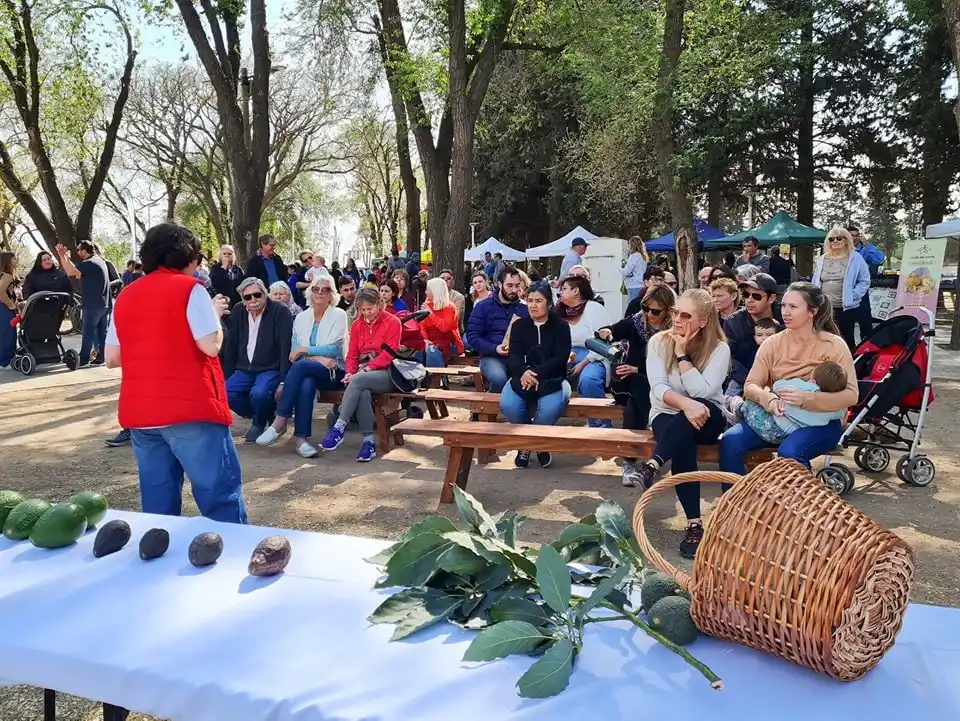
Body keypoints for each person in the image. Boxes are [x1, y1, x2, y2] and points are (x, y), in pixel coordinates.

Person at [104, 222, 246, 523]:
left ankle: (156, 563)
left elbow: (112, 357)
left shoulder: (126, 295)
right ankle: (233, 558)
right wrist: (215, 315)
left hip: (142, 412)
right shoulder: (191, 289)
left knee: (158, 507)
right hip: (191, 406)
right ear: (189, 258)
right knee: (220, 497)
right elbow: (210, 345)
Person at [631, 289, 731, 559]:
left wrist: (683, 355)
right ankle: (695, 524)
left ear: (703, 321)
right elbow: (658, 388)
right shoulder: (658, 342)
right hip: (667, 414)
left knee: (695, 417)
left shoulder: (719, 349)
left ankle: (653, 465)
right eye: (675, 312)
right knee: (683, 442)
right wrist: (686, 405)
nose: (676, 319)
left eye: (685, 315)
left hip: (709, 416)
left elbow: (704, 393)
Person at [720, 282, 858, 476]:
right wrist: (769, 400)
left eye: (793, 307)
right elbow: (751, 385)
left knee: (790, 452)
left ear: (813, 311)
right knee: (730, 441)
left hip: (821, 422)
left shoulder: (833, 345)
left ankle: (801, 506)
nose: (785, 312)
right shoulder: (772, 343)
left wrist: (807, 399)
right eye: (784, 306)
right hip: (777, 417)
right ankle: (736, 504)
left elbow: (852, 395)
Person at [256, 274, 347, 457]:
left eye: (325, 289)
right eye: (316, 289)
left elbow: (335, 349)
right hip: (310, 369)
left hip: (334, 371)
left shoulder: (339, 315)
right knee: (306, 382)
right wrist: (317, 358)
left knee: (301, 368)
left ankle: (280, 420)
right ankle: (301, 440)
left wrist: (306, 350)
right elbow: (293, 353)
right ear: (310, 292)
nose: (320, 293)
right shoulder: (301, 318)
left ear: (332, 294)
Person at [598, 284, 676, 485]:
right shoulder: (636, 322)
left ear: (668, 310)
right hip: (632, 385)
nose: (649, 314)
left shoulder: (675, 331)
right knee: (639, 388)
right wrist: (606, 331)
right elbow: (615, 329)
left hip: (663, 384)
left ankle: (633, 461)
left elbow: (671, 364)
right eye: (645, 308)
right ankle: (647, 456)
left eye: (656, 311)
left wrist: (637, 369)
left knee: (633, 409)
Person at [319, 287, 402, 461]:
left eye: (370, 309)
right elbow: (352, 354)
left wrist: (366, 369)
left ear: (379, 304)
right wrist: (350, 372)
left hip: (387, 373)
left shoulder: (392, 322)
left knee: (359, 380)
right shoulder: (357, 324)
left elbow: (389, 354)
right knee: (362, 391)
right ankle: (368, 443)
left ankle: (339, 427)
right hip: (362, 375)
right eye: (362, 310)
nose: (366, 313)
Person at [501, 282, 572, 469]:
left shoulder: (561, 326)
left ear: (548, 303)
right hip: (522, 376)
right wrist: (523, 371)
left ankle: (530, 445)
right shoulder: (519, 326)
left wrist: (535, 373)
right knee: (508, 405)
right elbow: (514, 355)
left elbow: (561, 357)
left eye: (538, 301)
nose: (533, 305)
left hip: (553, 377)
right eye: (530, 300)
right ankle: (535, 443)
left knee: (550, 409)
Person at [224, 277, 294, 443]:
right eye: (247, 297)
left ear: (265, 293)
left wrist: (284, 381)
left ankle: (259, 422)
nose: (253, 300)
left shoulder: (280, 311)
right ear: (242, 299)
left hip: (270, 367)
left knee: (259, 393)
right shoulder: (238, 310)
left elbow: (286, 347)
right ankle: (264, 414)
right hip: (244, 368)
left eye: (257, 295)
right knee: (226, 393)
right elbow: (231, 345)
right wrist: (227, 374)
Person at [731, 360, 847, 444]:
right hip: (789, 435)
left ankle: (737, 407)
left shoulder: (804, 387)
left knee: (750, 406)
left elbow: (777, 386)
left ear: (813, 379)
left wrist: (799, 381)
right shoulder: (832, 407)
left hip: (772, 426)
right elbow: (841, 413)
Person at [558, 275, 612, 428]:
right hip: (566, 355)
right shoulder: (559, 312)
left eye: (564, 289)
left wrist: (582, 364)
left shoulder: (594, 309)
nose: (560, 293)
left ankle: (601, 425)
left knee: (589, 380)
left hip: (594, 356)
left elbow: (603, 342)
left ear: (576, 291)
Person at [466, 267, 529, 391]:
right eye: (509, 285)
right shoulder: (483, 306)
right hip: (491, 356)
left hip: (519, 356)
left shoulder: (524, 307)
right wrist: (494, 348)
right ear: (499, 284)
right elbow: (472, 336)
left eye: (517, 286)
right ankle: (489, 405)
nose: (514, 290)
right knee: (499, 377)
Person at [812, 226, 870, 350]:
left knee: (846, 339)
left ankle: (850, 365)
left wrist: (854, 296)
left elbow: (864, 280)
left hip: (846, 308)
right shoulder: (822, 259)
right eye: (831, 239)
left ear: (846, 240)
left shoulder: (855, 258)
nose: (835, 241)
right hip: (825, 307)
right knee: (825, 337)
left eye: (839, 238)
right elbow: (816, 280)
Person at [723, 273, 781, 397]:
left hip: (780, 378)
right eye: (746, 294)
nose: (749, 300)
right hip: (744, 378)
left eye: (756, 296)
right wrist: (753, 381)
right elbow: (730, 359)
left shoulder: (785, 318)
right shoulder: (733, 322)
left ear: (771, 298)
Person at [56, 240, 111, 367]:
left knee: (88, 332)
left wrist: (61, 255)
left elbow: (70, 272)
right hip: (104, 303)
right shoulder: (99, 261)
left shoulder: (89, 263)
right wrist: (66, 258)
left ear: (84, 251)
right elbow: (76, 270)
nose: (78, 253)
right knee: (102, 332)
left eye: (79, 250)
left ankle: (84, 359)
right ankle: (101, 358)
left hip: (93, 305)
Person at [850, 224, 884, 342]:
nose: (854, 238)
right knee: (846, 324)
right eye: (851, 236)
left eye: (856, 236)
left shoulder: (864, 249)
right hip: (844, 291)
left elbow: (879, 259)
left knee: (865, 322)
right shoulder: (841, 250)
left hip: (861, 291)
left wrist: (867, 245)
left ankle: (866, 348)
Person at [420, 277, 464, 366]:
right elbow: (421, 326)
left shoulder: (449, 307)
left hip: (448, 341)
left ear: (436, 291)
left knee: (432, 351)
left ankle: (437, 377)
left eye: (428, 289)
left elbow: (445, 328)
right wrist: (425, 340)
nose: (425, 292)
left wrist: (431, 314)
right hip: (430, 340)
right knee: (420, 350)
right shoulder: (427, 305)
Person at [208, 244, 245, 308]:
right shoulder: (215, 268)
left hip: (237, 303)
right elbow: (214, 282)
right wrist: (224, 267)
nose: (227, 255)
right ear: (220, 255)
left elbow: (243, 283)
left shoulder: (238, 269)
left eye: (229, 254)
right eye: (224, 254)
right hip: (222, 302)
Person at [0, 252, 19, 367]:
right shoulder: (7, 276)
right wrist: (10, 304)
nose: (16, 260)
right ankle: (6, 360)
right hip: (4, 308)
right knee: (7, 333)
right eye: (14, 258)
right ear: (8, 261)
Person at [621, 236, 650, 302]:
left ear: (632, 245)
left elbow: (626, 272)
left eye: (629, 243)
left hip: (633, 285)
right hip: (641, 284)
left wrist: (620, 268)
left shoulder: (633, 256)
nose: (628, 245)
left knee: (633, 307)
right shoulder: (643, 257)